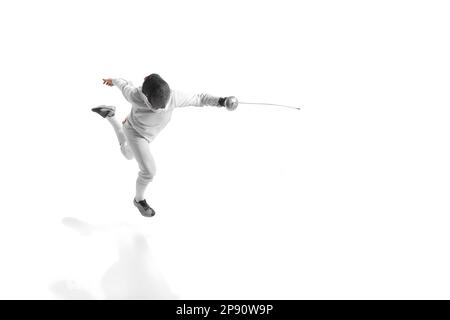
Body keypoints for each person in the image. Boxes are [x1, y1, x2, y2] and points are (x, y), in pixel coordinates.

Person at [92, 74, 238, 217]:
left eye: (164, 105)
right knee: (148, 171)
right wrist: (113, 80)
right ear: (145, 96)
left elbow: (199, 98)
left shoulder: (173, 97)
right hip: (136, 134)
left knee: (127, 153)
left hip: (146, 134)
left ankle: (110, 115)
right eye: (156, 106)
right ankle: (139, 200)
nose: (161, 109)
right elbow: (123, 83)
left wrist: (221, 101)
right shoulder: (134, 95)